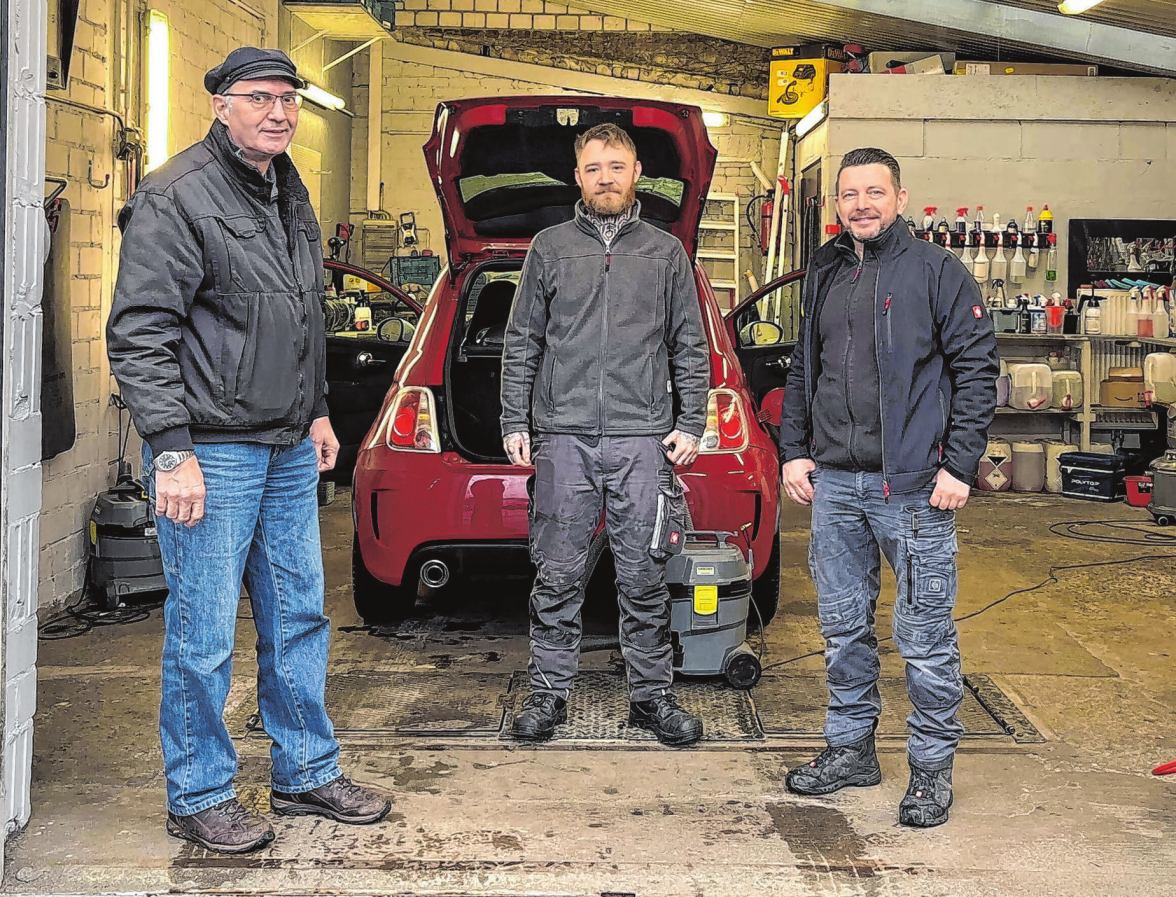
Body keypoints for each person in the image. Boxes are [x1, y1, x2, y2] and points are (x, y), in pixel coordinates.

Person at [107, 47, 391, 854]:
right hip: (213, 451)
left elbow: (303, 314)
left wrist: (318, 411)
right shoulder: (174, 195)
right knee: (203, 631)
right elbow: (139, 335)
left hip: (287, 445)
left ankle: (305, 769)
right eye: (259, 98)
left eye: (289, 99)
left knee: (299, 614)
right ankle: (197, 792)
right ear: (222, 104)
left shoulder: (286, 188)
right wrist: (171, 450)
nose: (279, 112)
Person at [777, 147, 998, 827]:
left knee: (924, 635)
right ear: (835, 204)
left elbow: (978, 369)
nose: (862, 204)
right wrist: (793, 452)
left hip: (914, 487)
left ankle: (930, 772)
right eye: (849, 194)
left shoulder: (937, 271)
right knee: (843, 628)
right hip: (837, 482)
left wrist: (960, 465)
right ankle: (851, 750)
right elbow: (802, 367)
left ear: (901, 197)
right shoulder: (825, 268)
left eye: (875, 191)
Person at [500, 123, 710, 746]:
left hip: (642, 440)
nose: (606, 178)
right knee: (557, 573)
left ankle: (652, 698)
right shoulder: (549, 247)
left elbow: (688, 345)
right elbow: (523, 340)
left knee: (644, 573)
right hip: (563, 438)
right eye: (595, 168)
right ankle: (548, 696)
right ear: (578, 177)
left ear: (637, 172)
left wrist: (691, 421)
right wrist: (516, 419)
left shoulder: (665, 252)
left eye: (617, 167)